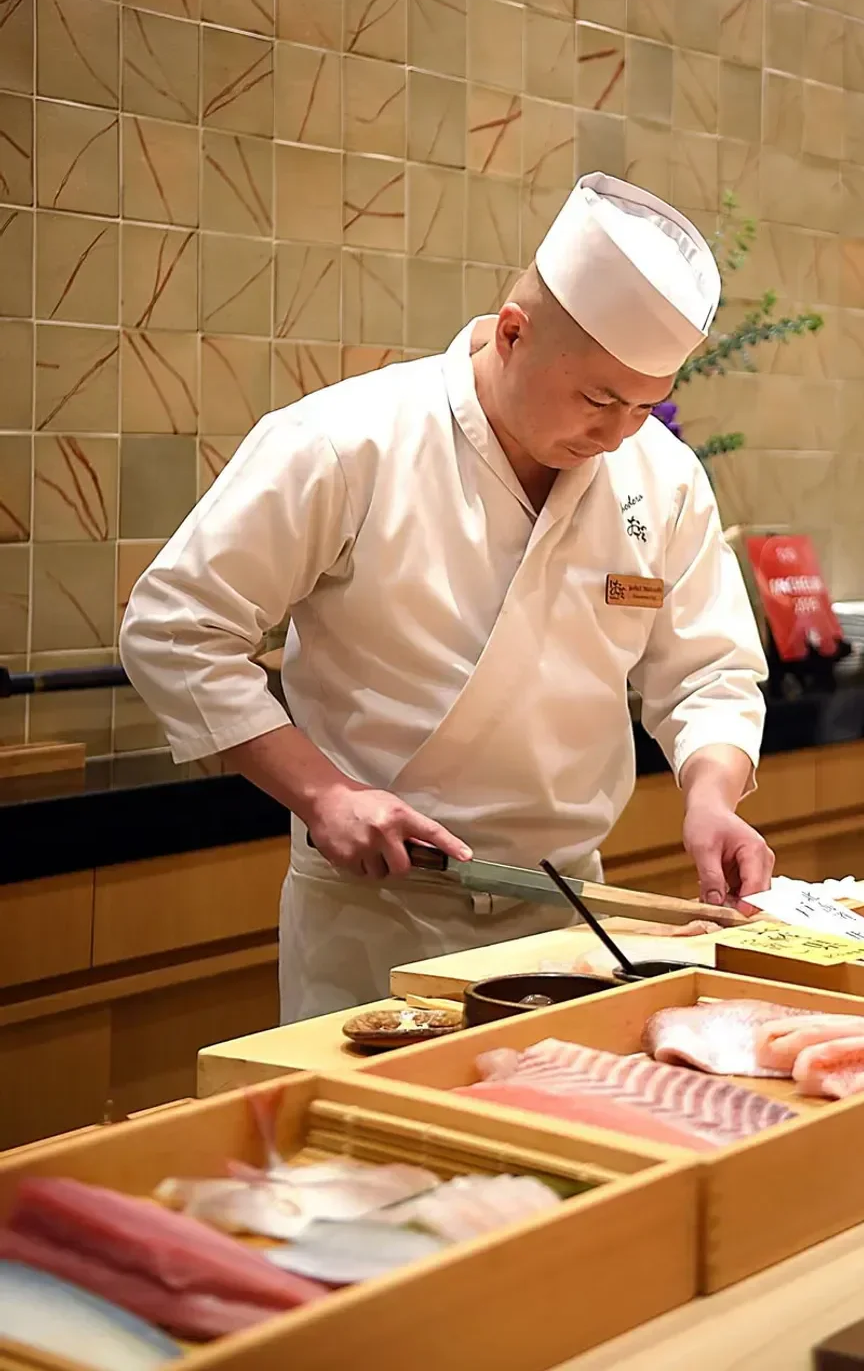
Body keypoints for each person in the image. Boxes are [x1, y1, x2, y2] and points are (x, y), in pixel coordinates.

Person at [120, 172, 773, 1023]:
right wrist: (326, 796)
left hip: (565, 911)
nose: (617, 434)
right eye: (599, 398)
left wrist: (711, 798)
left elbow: (709, 673)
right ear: (512, 334)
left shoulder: (660, 474)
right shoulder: (347, 441)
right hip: (378, 914)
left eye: (645, 406)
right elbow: (176, 628)